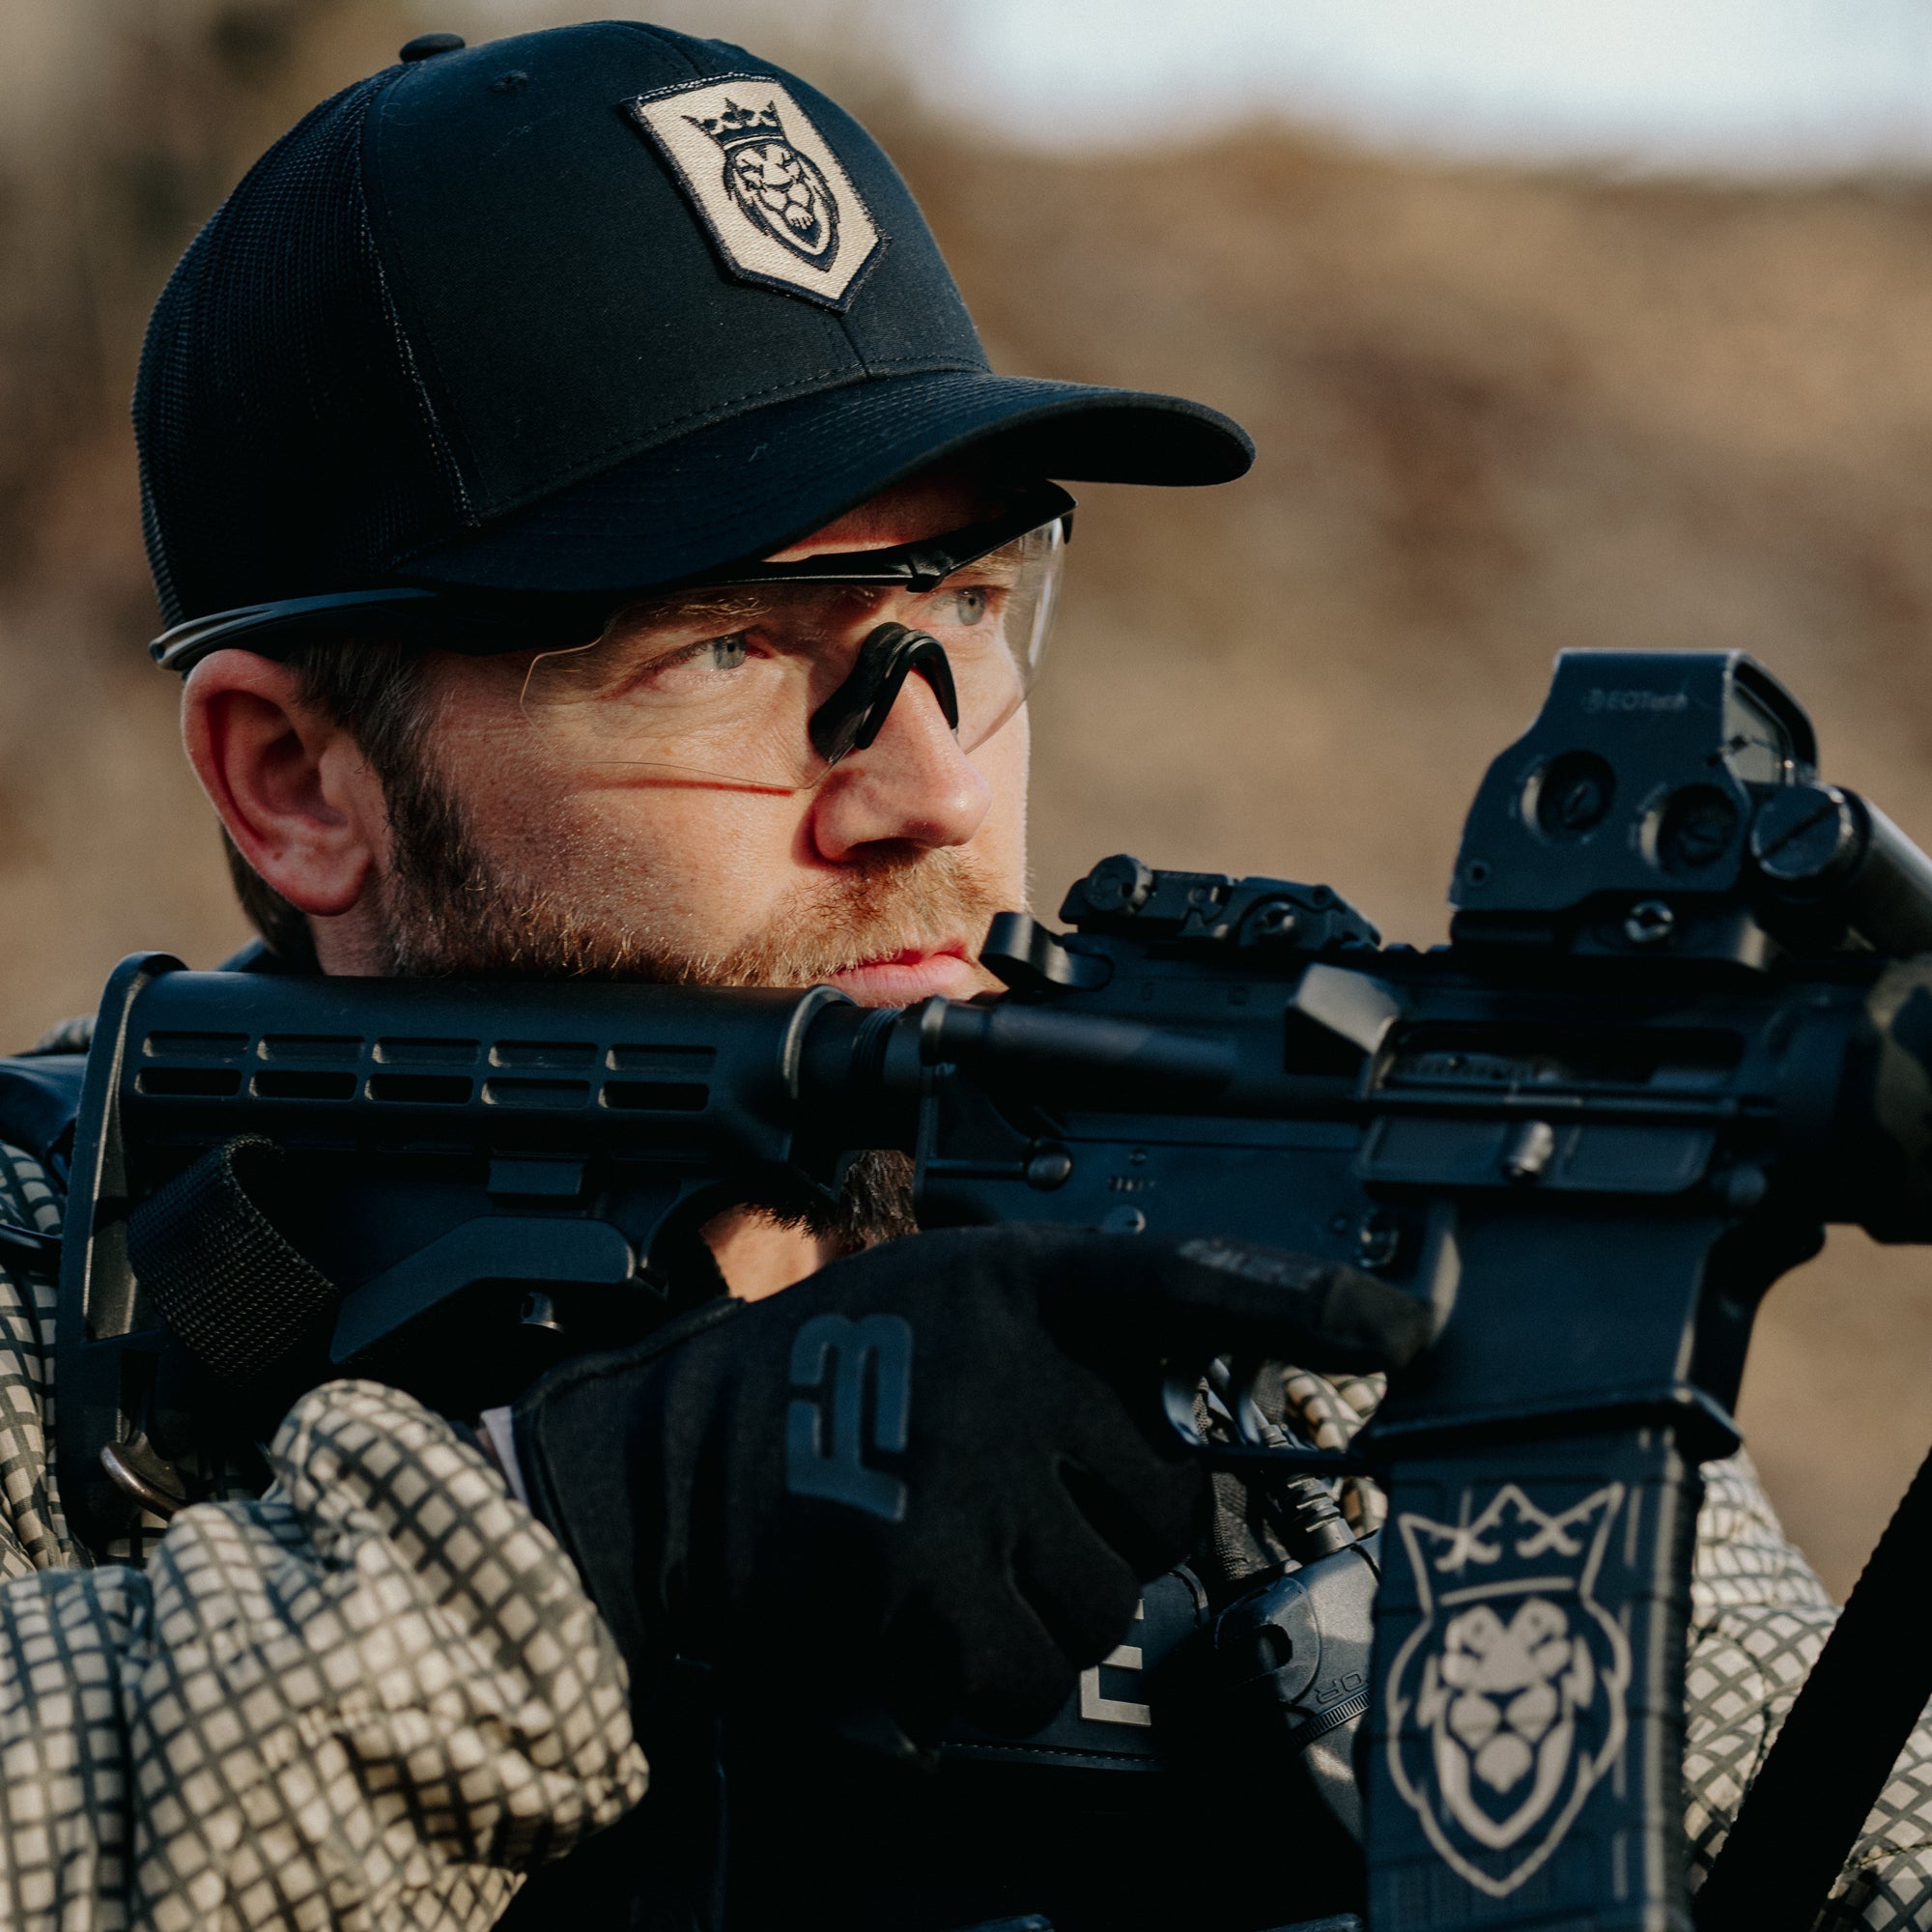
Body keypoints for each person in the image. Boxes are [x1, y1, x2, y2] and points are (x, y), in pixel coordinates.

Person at [0, 16, 1921, 1931]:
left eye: (966, 612)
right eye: (728, 649)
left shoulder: (1259, 1280)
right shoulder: (53, 1301)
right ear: (298, 784)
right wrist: (592, 1541)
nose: (928, 789)